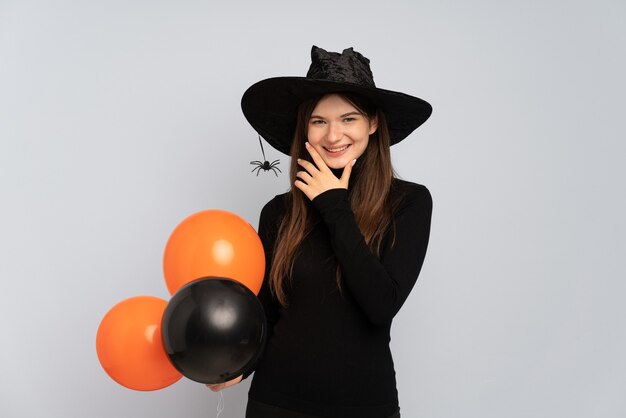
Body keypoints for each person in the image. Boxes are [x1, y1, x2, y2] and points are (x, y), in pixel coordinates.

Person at [208, 45, 433, 418]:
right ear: (305, 128)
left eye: (349, 119)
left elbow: (381, 305)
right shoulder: (279, 212)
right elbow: (265, 311)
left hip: (363, 407)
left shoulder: (409, 203)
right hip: (275, 402)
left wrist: (334, 204)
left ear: (373, 123)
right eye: (318, 121)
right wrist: (237, 364)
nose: (333, 135)